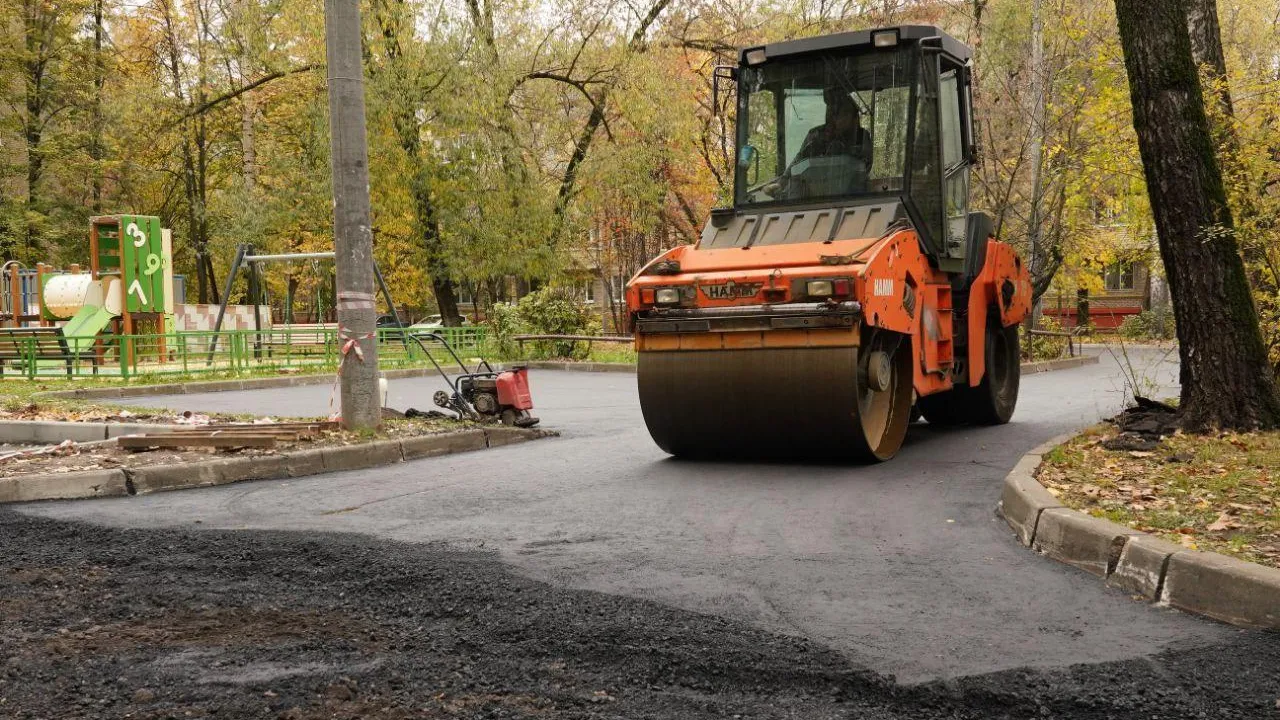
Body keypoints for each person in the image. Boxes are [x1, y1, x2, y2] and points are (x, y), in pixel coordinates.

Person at [763, 86, 870, 199]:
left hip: (852, 195)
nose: (833, 116)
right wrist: (782, 182)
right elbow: (799, 159)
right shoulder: (816, 134)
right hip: (813, 195)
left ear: (854, 117)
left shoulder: (861, 136)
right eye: (831, 110)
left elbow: (864, 166)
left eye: (842, 113)